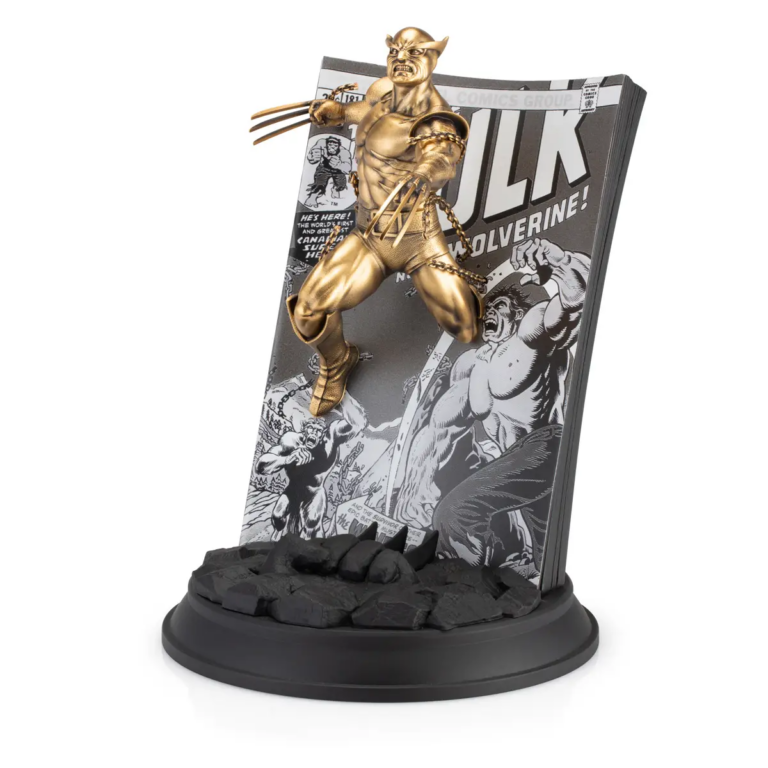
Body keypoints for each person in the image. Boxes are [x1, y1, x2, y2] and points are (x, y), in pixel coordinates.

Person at [287, 27, 482, 416]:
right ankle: (338, 361)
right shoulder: (381, 92)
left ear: (433, 59)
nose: (401, 58)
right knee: (307, 311)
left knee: (465, 328)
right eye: (395, 50)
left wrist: (426, 171)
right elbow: (370, 114)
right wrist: (341, 113)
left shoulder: (436, 118)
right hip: (369, 237)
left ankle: (465, 295)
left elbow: (443, 154)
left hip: (417, 241)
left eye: (415, 52)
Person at [255, 392, 367, 537]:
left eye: (318, 431)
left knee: (312, 524)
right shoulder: (292, 441)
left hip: (315, 492)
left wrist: (340, 395)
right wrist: (286, 459)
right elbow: (261, 466)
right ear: (304, 431)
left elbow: (358, 423)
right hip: (292, 490)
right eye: (311, 429)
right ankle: (280, 537)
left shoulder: (331, 439)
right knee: (277, 517)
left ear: (322, 434)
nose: (314, 433)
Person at [304, 136, 352, 208]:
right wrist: (313, 156)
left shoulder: (344, 152)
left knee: (341, 184)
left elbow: (348, 169)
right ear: (326, 145)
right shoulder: (321, 143)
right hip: (324, 167)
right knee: (320, 182)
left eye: (335, 146)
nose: (332, 147)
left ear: (339, 146)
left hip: (337, 170)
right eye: (330, 145)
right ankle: (312, 198)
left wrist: (339, 165)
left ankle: (336, 189)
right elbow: (311, 154)